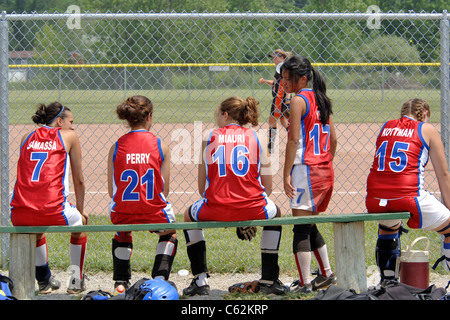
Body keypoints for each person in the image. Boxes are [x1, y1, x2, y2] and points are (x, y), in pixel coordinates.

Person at [182, 96, 287, 296]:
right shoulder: (258, 137)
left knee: (188, 216)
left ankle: (200, 281)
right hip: (253, 206)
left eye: (218, 115)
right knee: (277, 213)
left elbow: (201, 188)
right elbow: (268, 187)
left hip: (215, 207)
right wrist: (246, 212)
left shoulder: (208, 137)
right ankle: (269, 279)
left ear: (226, 114)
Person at [366, 98, 450, 284]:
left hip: (375, 199)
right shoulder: (426, 129)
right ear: (425, 114)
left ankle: (388, 283)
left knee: (388, 227)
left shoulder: (387, 126)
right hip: (408, 196)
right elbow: (443, 174)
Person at [10, 102, 88, 294]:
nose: (73, 126)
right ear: (59, 121)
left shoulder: (26, 137)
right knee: (81, 224)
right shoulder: (68, 136)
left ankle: (44, 281)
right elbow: (79, 180)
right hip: (53, 209)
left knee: (37, 229)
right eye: (71, 121)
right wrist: (80, 209)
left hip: (19, 211)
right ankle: (76, 281)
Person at [107, 95, 177, 294]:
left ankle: (121, 281)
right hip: (154, 211)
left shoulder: (117, 146)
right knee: (169, 231)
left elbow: (113, 190)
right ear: (149, 117)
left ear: (128, 119)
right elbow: (164, 190)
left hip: (123, 212)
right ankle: (160, 279)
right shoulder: (160, 145)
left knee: (122, 230)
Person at [281, 55, 338, 293]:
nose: (283, 83)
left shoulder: (298, 101)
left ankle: (305, 285)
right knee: (309, 223)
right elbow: (333, 139)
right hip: (324, 168)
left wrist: (285, 175)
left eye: (287, 79)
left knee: (301, 227)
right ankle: (326, 274)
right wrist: (324, 161)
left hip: (305, 169)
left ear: (303, 78)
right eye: (282, 78)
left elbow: (294, 140)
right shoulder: (321, 99)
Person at [258, 49, 291, 153]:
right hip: (279, 97)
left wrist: (288, 96)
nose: (273, 59)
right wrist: (265, 81)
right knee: (283, 120)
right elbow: (276, 83)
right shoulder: (280, 68)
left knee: (272, 120)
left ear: (281, 57)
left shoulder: (283, 67)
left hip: (279, 98)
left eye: (275, 57)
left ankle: (271, 146)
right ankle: (297, 137)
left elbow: (288, 82)